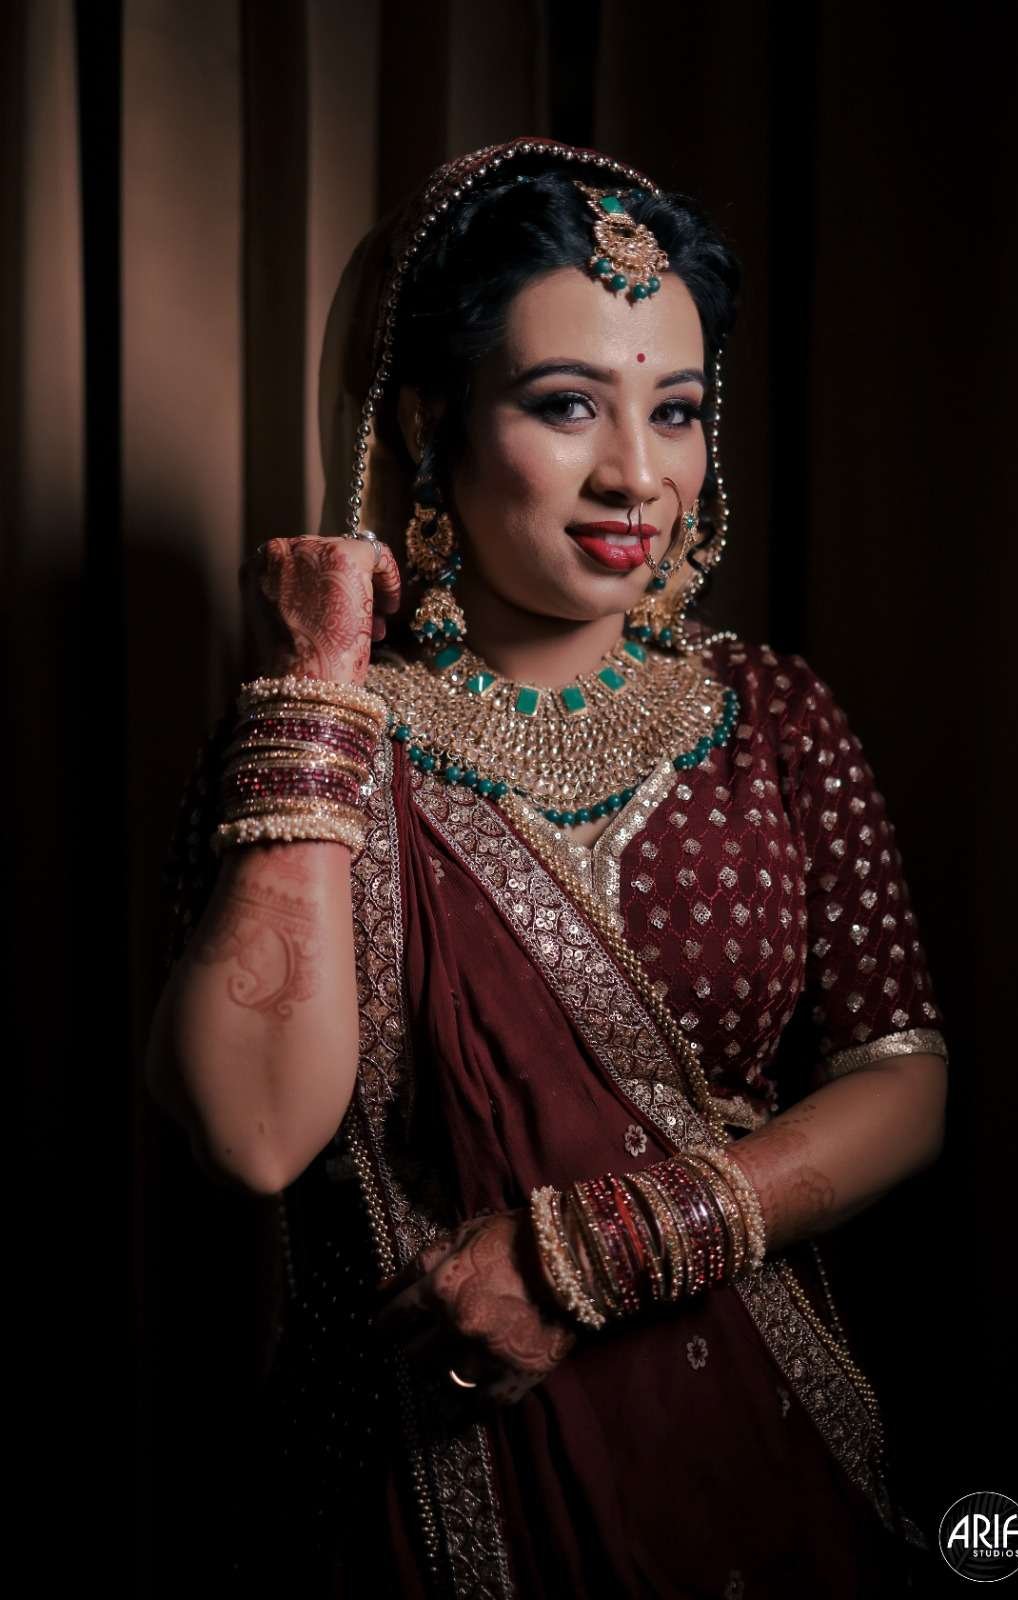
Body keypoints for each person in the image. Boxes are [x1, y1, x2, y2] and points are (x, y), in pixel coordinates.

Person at [148, 137, 950, 1598]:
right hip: (398, 1487)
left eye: (677, 410)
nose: (637, 474)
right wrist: (326, 681)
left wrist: (604, 1249)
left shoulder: (772, 718)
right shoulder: (312, 738)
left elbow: (901, 1085)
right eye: (567, 404)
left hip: (739, 1453)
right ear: (430, 418)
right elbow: (251, 1134)